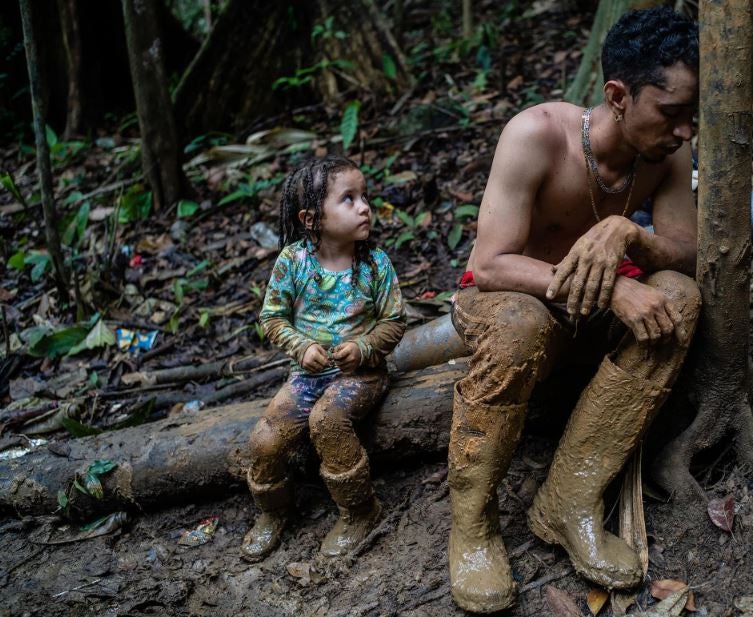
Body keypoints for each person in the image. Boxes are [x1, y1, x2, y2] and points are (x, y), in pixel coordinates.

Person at [447, 7, 702, 613]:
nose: (685, 131)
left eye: (693, 115)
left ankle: (569, 500)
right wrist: (612, 288)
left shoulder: (666, 158)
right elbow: (490, 265)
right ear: (618, 95)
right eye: (670, 113)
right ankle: (473, 526)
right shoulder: (536, 135)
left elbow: (688, 255)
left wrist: (629, 234)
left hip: (586, 320)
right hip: (512, 303)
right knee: (519, 325)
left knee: (680, 299)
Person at [240, 155, 406, 562]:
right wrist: (301, 347)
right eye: (348, 199)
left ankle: (359, 510)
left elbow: (395, 321)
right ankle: (273, 512)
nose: (364, 206)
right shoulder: (293, 262)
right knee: (265, 438)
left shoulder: (375, 265)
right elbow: (273, 317)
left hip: (362, 375)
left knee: (328, 420)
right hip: (307, 377)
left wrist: (364, 348)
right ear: (311, 218)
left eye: (364, 195)